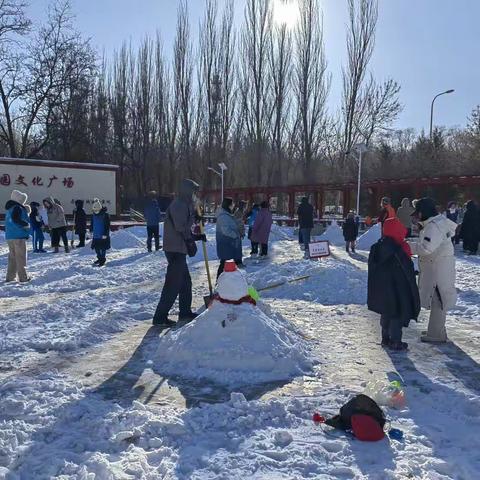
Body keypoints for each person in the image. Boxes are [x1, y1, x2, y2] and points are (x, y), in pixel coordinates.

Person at [153, 179, 205, 327]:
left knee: (185, 283)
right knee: (172, 284)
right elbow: (181, 227)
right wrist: (192, 236)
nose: (195, 194)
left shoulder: (185, 204)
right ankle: (159, 317)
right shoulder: (178, 205)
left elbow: (186, 226)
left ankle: (184, 311)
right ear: (187, 191)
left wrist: (195, 224)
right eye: (193, 191)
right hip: (174, 249)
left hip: (179, 248)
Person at [408, 198, 457, 343]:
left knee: (438, 300)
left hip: (438, 268)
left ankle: (436, 335)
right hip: (440, 266)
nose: (417, 216)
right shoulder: (437, 222)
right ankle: (436, 330)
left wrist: (407, 246)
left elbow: (426, 248)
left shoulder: (433, 226)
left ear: (424, 212)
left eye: (419, 213)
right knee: (438, 298)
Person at [368, 217, 420, 351]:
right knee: (397, 314)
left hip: (383, 289)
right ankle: (396, 341)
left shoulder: (377, 247)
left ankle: (385, 339)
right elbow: (407, 267)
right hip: (398, 288)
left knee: (386, 312)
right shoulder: (401, 248)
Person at [5, 190, 31, 283]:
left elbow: (12, 220)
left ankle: (10, 277)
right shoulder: (17, 207)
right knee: (21, 257)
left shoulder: (9, 208)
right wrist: (25, 224)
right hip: (18, 236)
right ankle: (23, 278)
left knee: (12, 258)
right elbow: (16, 219)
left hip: (10, 236)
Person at [216, 197, 242, 278]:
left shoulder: (228, 214)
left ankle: (227, 283)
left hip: (229, 244)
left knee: (228, 265)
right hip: (225, 243)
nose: (233, 206)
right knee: (224, 264)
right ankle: (219, 283)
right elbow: (225, 230)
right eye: (232, 204)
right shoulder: (223, 216)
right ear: (228, 205)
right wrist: (235, 235)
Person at [90, 198, 111, 267]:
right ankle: (99, 258)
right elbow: (92, 223)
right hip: (96, 234)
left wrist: (105, 234)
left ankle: (103, 259)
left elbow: (107, 225)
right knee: (96, 248)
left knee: (103, 248)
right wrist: (91, 229)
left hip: (103, 234)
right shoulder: (93, 215)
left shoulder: (105, 215)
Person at [233, 200, 247, 265]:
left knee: (238, 248)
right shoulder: (239, 213)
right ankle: (238, 262)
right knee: (238, 248)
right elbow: (240, 224)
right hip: (237, 233)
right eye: (245, 206)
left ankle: (237, 261)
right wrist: (242, 233)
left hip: (237, 232)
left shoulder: (239, 212)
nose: (245, 208)